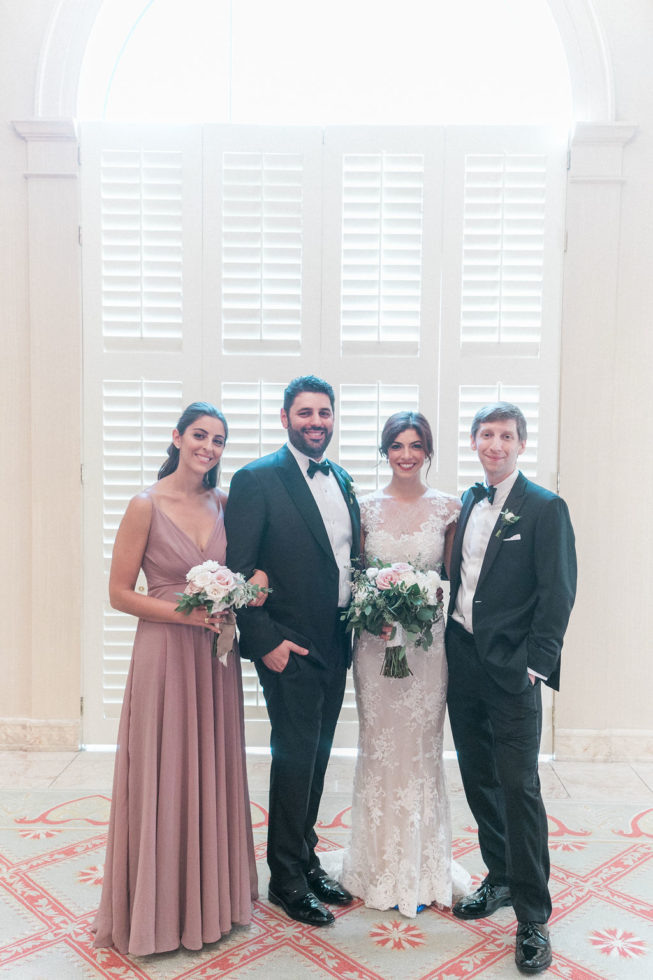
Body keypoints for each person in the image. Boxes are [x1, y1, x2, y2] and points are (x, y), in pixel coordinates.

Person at [93, 402, 260, 956]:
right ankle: (158, 913)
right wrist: (184, 613)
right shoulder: (145, 505)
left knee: (208, 767)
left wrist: (249, 586)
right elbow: (119, 593)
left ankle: (211, 903)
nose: (208, 447)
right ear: (177, 437)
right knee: (164, 769)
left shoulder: (226, 504)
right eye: (199, 435)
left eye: (218, 440)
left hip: (214, 658)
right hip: (164, 654)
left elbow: (250, 569)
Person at [446, 402, 576, 974]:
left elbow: (559, 593)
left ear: (521, 443)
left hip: (513, 670)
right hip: (463, 663)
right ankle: (498, 877)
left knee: (519, 788)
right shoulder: (470, 500)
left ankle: (532, 918)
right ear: (474, 441)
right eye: (486, 434)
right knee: (478, 778)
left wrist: (536, 665)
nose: (495, 444)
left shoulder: (545, 508)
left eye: (506, 435)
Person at [225, 376, 360, 927]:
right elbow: (238, 569)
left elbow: (346, 559)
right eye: (305, 412)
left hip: (337, 641)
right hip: (289, 644)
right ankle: (284, 877)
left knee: (319, 755)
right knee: (294, 756)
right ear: (285, 418)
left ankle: (305, 857)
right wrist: (265, 644)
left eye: (324, 412)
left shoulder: (342, 477)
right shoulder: (256, 479)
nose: (316, 421)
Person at [339, 412, 471, 917]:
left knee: (419, 750)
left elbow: (451, 581)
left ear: (429, 452)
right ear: (385, 450)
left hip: (425, 648)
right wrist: (377, 610)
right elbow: (355, 576)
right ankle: (375, 863)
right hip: (375, 647)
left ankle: (422, 865)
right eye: (398, 444)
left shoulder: (449, 508)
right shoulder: (365, 508)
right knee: (378, 746)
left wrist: (420, 603)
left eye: (417, 445)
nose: (407, 454)